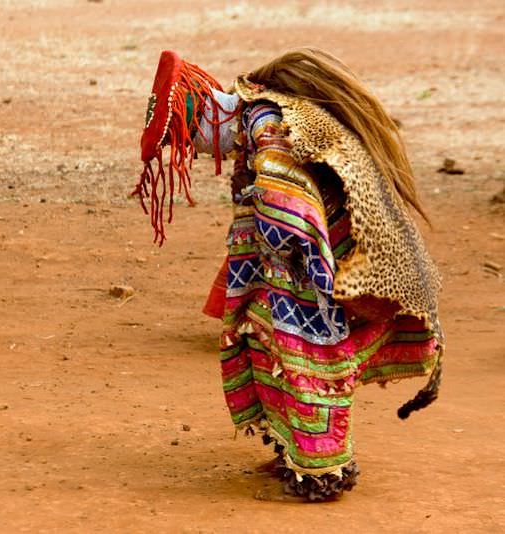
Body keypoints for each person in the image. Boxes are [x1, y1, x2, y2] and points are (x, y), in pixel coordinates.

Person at [135, 49, 443, 500]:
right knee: (269, 345)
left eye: (192, 142)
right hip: (305, 264)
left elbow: (289, 208)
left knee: (307, 358)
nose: (199, 152)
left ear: (205, 119)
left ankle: (322, 471)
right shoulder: (261, 111)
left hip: (310, 269)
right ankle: (295, 452)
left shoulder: (264, 122)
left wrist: (301, 264)